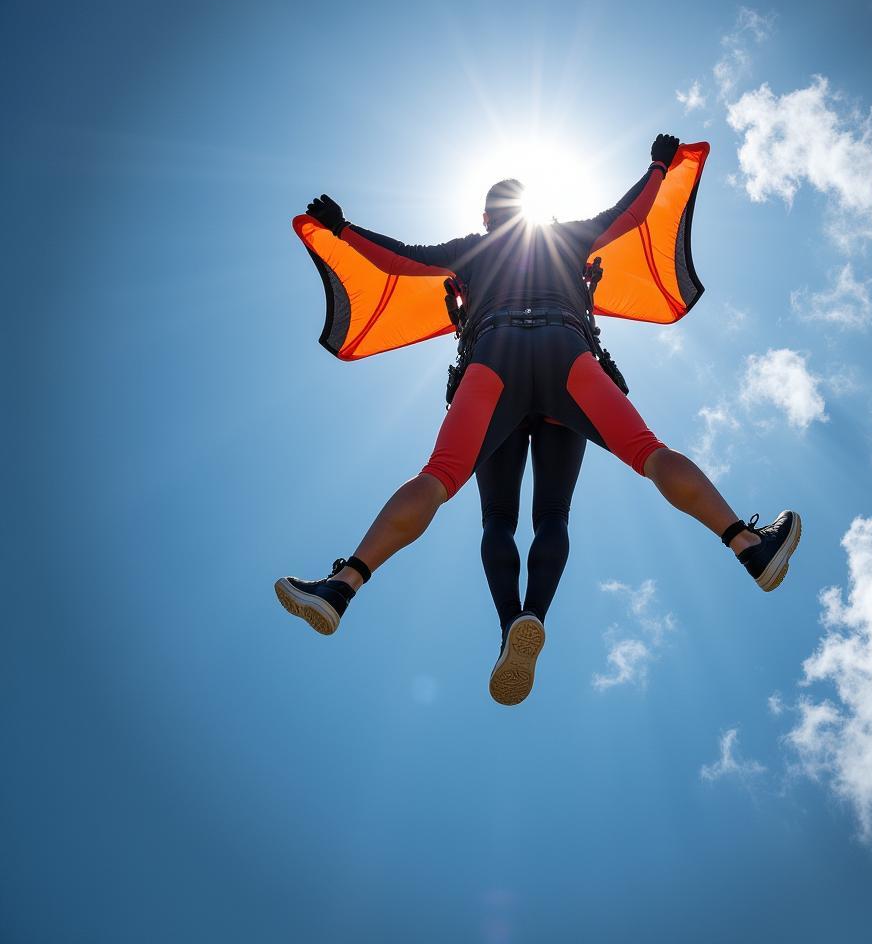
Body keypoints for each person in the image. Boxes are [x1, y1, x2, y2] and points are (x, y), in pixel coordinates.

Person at [276, 134, 802, 700]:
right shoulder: (564, 237)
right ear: (533, 208)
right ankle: (747, 545)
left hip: (492, 362)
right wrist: (655, 167)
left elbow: (398, 259)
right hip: (568, 356)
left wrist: (345, 229)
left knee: (452, 486)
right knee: (632, 464)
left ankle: (348, 585)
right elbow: (632, 214)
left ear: (485, 216)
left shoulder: (470, 250)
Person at [476, 415, 587, 705]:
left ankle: (510, 623)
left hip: (496, 383)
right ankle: (533, 614)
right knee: (554, 513)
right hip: (562, 382)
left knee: (497, 517)